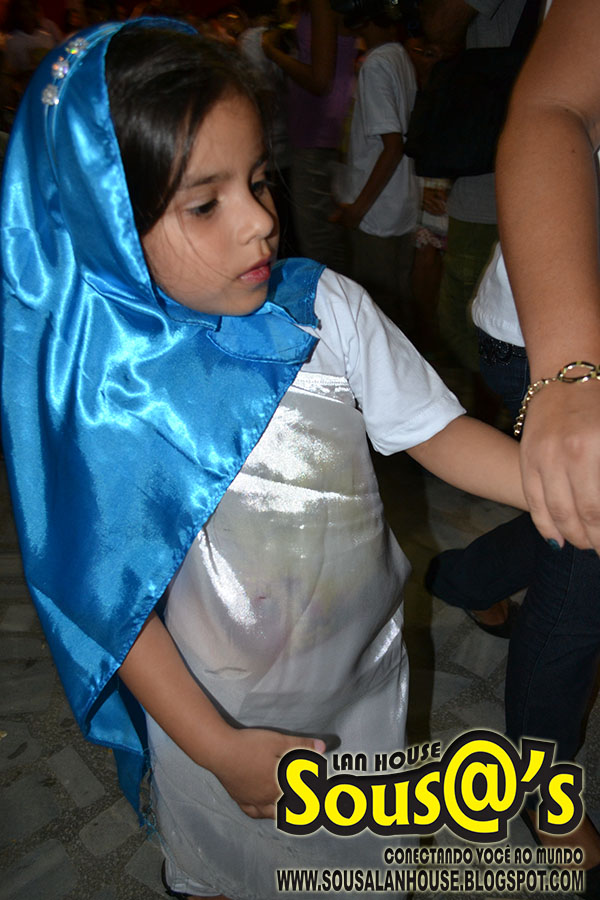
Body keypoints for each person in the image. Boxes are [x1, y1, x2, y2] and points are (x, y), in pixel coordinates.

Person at [1, 18, 528, 900]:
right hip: (220, 712)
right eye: (204, 204)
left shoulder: (324, 310)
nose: (261, 222)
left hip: (362, 676)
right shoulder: (108, 398)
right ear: (104, 224)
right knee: (233, 860)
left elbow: (433, 430)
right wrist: (216, 746)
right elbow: (114, 607)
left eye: (257, 180)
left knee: (358, 852)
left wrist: (551, 484)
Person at [427, 0, 600, 889]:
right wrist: (571, 374)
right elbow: (550, 105)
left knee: (569, 517)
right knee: (585, 565)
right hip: (556, 334)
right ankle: (541, 789)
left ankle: (462, 578)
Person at [330, 13, 419, 329]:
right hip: (400, 202)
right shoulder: (399, 55)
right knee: (399, 299)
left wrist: (358, 208)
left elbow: (392, 146)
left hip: (377, 211)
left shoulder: (375, 65)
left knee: (380, 314)